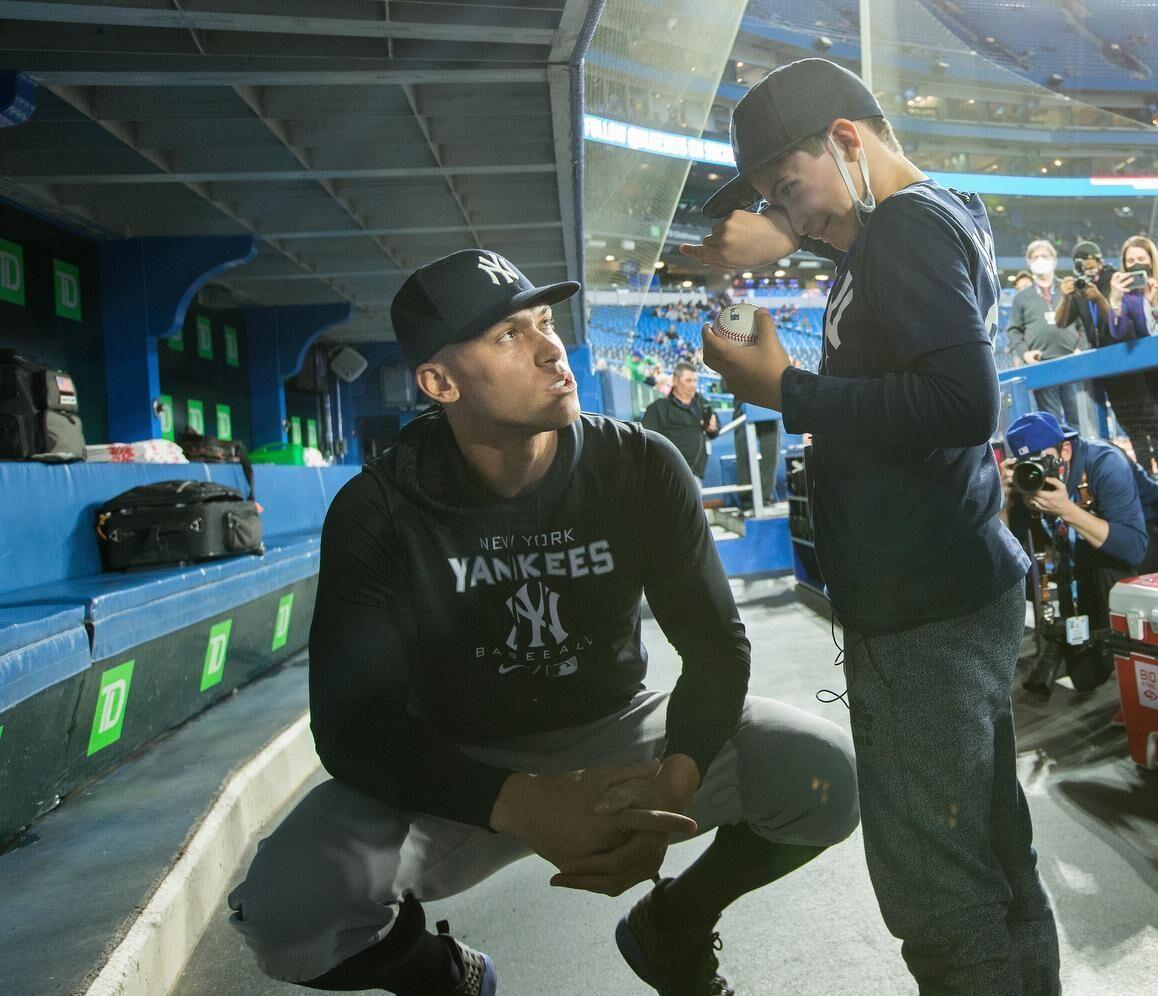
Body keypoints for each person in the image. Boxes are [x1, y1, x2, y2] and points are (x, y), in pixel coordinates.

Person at [225, 249, 859, 996]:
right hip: (457, 762)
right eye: (506, 337)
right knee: (283, 911)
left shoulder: (640, 466)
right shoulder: (380, 511)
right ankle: (442, 977)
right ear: (439, 381)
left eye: (545, 323)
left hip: (621, 727)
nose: (551, 348)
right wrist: (521, 800)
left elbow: (717, 649)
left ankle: (673, 927)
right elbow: (352, 729)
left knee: (825, 777)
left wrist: (677, 783)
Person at [681, 58, 1060, 996]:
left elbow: (962, 402)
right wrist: (779, 240)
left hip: (923, 607)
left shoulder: (906, 229)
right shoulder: (914, 226)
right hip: (945, 590)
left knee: (936, 891)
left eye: (790, 187)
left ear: (846, 140)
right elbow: (885, 301)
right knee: (992, 862)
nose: (793, 212)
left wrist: (789, 391)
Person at [1002, 412, 1158, 694]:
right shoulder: (1025, 485)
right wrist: (1006, 502)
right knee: (1085, 677)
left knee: (1108, 570)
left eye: (1043, 459)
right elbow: (1012, 560)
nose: (1036, 471)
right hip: (1080, 545)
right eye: (1026, 465)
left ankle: (1132, 683)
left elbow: (1133, 548)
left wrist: (1066, 511)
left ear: (1066, 449)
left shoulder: (1105, 463)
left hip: (1149, 532)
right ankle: (1060, 638)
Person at [1110, 236, 1158, 490]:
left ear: (1151, 259)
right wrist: (1114, 299)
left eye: (1140, 259)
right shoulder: (1128, 297)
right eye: (1130, 260)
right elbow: (1118, 334)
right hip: (1150, 373)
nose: (1135, 265)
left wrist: (1155, 303)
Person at [1006, 239, 1085, 425]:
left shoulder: (1069, 289)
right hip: (1042, 364)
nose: (1040, 260)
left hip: (1071, 361)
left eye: (1045, 256)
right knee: (1051, 421)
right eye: (1035, 257)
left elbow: (1083, 324)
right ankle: (1056, 453)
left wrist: (1081, 348)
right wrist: (1025, 353)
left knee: (1077, 418)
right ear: (1028, 262)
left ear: (1054, 260)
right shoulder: (1021, 297)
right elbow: (1013, 330)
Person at [641, 360, 720, 493]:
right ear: (676, 381)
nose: (693, 385)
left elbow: (715, 427)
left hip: (694, 474)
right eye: (688, 380)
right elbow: (646, 441)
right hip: (668, 476)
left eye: (695, 381)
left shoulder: (702, 404)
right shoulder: (659, 408)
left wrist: (714, 427)